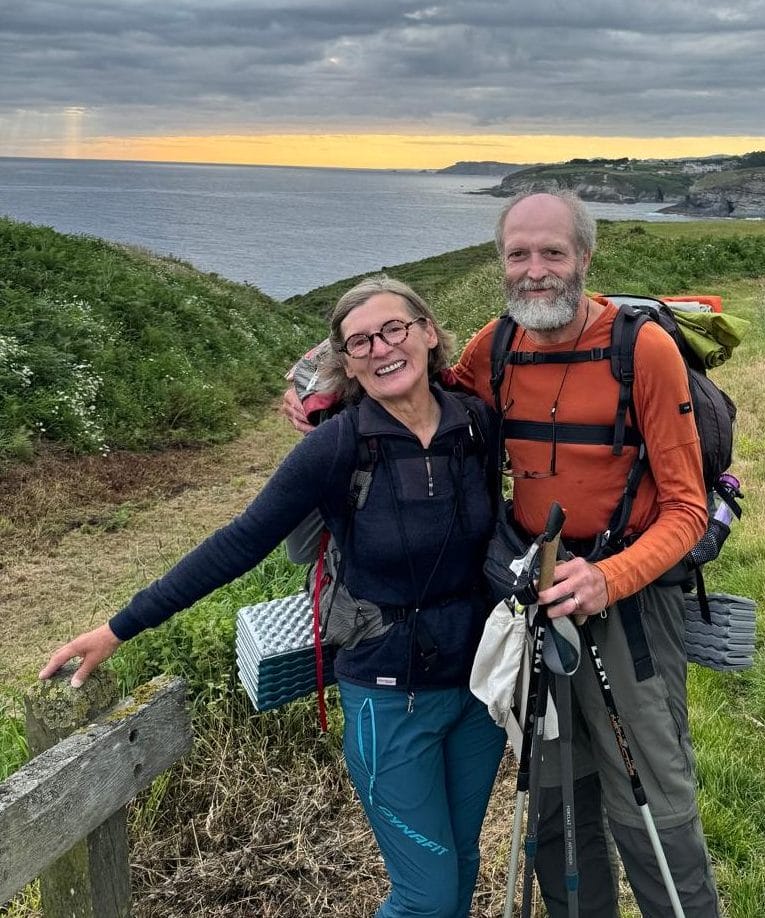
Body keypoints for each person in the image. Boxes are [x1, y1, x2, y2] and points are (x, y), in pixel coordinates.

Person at [284, 191, 721, 917]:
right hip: (530, 606)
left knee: (651, 798)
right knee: (553, 802)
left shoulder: (640, 350)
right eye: (518, 254)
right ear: (501, 262)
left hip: (629, 604)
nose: (534, 271)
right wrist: (317, 390)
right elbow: (412, 388)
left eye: (552, 253)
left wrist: (608, 578)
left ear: (584, 257)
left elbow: (685, 507)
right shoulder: (499, 345)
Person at [42, 278, 507, 918]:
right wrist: (118, 628)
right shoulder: (337, 446)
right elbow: (238, 544)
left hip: (478, 687)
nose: (381, 348)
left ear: (428, 332)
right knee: (425, 896)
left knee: (459, 871)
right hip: (387, 698)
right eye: (360, 341)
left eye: (394, 329)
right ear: (346, 362)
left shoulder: (477, 425)